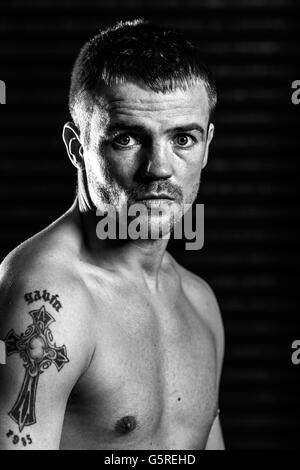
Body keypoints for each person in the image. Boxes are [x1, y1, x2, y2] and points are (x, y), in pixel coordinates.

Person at [0, 19, 225, 450]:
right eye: (126, 138)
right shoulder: (48, 301)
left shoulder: (200, 302)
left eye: (183, 138)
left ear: (207, 145)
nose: (159, 167)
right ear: (76, 147)